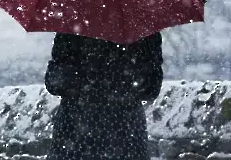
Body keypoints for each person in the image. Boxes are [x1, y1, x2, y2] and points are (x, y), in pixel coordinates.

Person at [44, 32, 163, 160]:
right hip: (127, 135)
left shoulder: (72, 25)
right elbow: (151, 89)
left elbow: (55, 84)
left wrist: (84, 77)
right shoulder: (143, 29)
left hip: (74, 136)